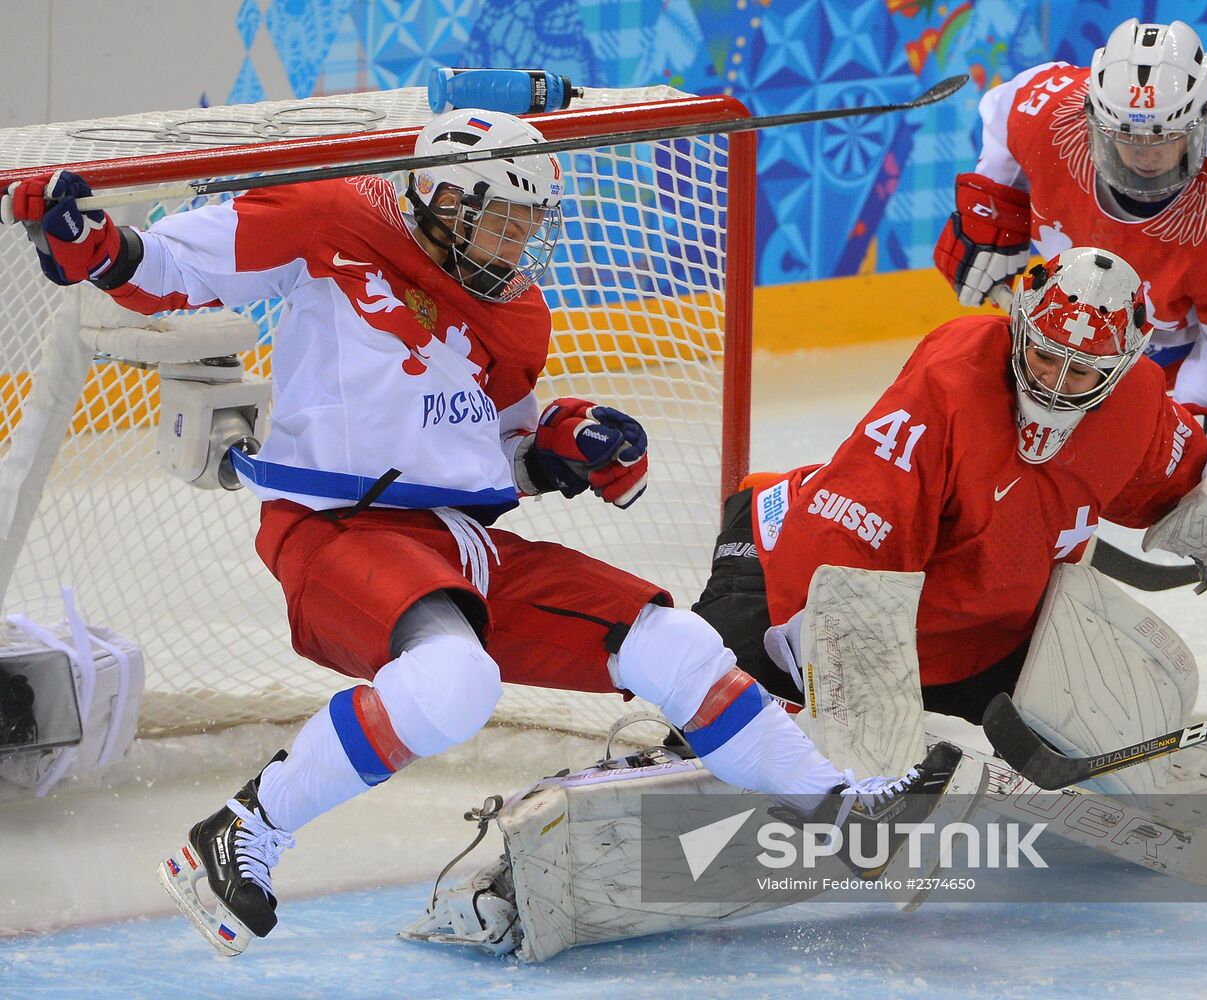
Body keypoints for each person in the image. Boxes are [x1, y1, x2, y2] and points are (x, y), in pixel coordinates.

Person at [2, 109, 963, 956]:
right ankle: (245, 831)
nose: (519, 242)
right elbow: (170, 268)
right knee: (452, 684)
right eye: (504, 218)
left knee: (675, 644)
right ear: (445, 198)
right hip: (339, 529)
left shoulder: (515, 315)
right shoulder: (330, 218)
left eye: (531, 224)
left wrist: (564, 444)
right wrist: (94, 243)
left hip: (461, 541)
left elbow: (497, 445)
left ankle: (835, 812)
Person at [693, 245, 1207, 723]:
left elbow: (1189, 483)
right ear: (1020, 326)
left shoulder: (1137, 404)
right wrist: (831, 629)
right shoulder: (951, 379)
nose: (1053, 383)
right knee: (714, 712)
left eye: (1079, 370)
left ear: (1120, 368)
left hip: (972, 637)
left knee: (1124, 720)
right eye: (1044, 356)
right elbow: (863, 508)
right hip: (784, 579)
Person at [934, 17, 1207, 467]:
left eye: (1164, 138)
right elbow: (1002, 112)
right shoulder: (1048, 110)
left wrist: (1178, 420)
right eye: (1125, 136)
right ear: (1093, 117)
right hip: (1100, 331)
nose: (1145, 156)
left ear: (1200, 120)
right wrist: (989, 209)